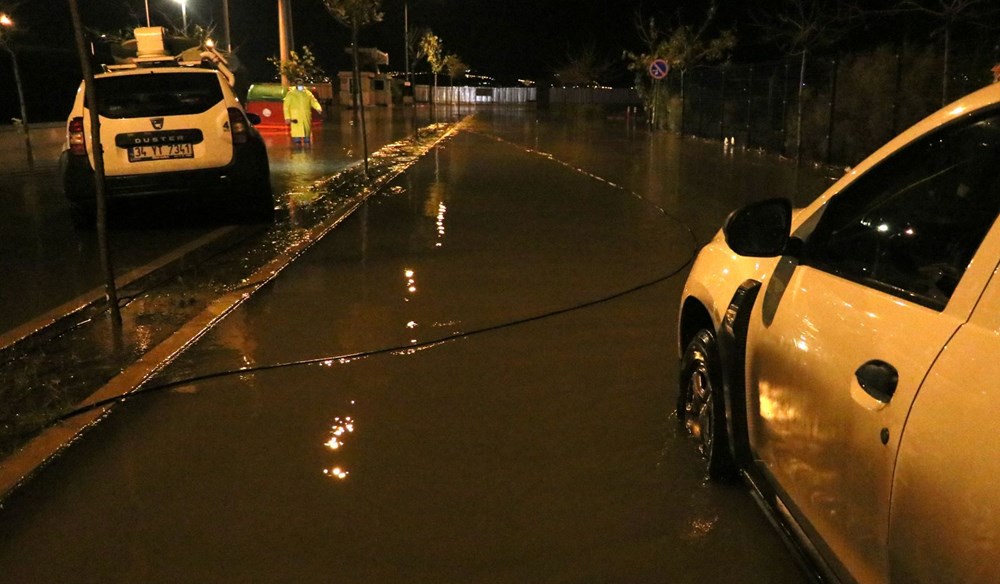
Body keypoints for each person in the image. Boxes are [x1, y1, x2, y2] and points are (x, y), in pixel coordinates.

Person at [283, 80, 323, 145]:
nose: (300, 86)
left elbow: (313, 101)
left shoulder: (307, 93)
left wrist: (318, 108)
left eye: (301, 85)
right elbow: (286, 107)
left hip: (305, 116)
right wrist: (287, 117)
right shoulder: (291, 94)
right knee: (297, 138)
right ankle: (297, 149)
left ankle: (307, 149)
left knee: (307, 136)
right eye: (299, 85)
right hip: (295, 118)